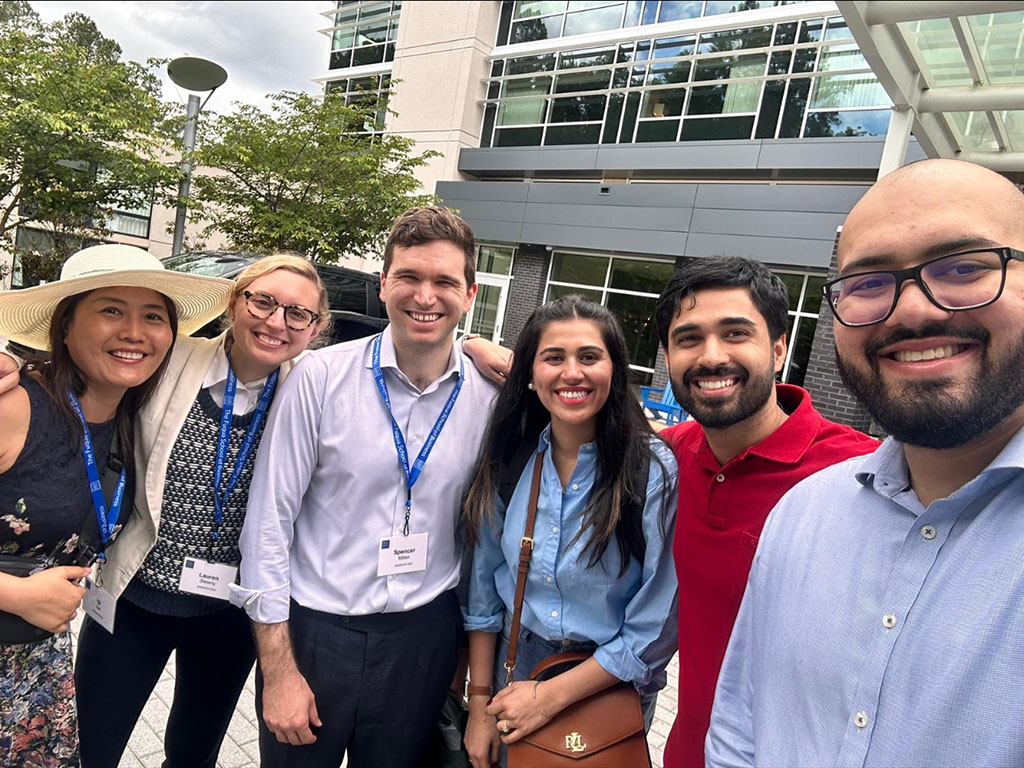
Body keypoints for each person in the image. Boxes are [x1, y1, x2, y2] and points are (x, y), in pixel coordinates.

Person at [706, 158, 1024, 767]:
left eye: (963, 267)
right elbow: (741, 722)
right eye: (870, 282)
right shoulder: (803, 513)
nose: (910, 311)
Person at [232, 206, 500, 768]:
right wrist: (278, 672)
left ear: (470, 294)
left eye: (445, 282)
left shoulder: (490, 395)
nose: (425, 296)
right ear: (384, 285)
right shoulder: (318, 377)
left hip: (423, 639)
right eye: (409, 277)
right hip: (315, 635)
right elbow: (267, 525)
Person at [72, 253, 329, 768]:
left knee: (194, 752)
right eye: (263, 301)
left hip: (229, 613)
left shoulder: (314, 389)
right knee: (89, 745)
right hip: (135, 596)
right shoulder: (169, 360)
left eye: (297, 314)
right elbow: (85, 375)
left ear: (315, 328)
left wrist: (477, 347)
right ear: (234, 303)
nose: (276, 322)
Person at [0, 243, 231, 767]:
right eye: (111, 310)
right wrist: (15, 594)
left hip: (36, 679)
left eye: (153, 316)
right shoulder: (14, 407)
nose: (134, 332)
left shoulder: (129, 419)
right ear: (64, 326)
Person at [652, 256, 877, 768]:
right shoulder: (669, 455)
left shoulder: (864, 475)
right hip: (689, 753)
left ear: (778, 348)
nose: (711, 357)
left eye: (735, 333)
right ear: (667, 356)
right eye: (688, 338)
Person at [461, 294, 678, 768]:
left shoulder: (651, 471)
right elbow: (483, 596)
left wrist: (549, 697)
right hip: (513, 672)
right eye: (553, 357)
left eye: (589, 357)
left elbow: (656, 626)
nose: (571, 373)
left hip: (611, 683)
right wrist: (479, 704)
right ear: (532, 373)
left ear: (614, 370)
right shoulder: (511, 460)